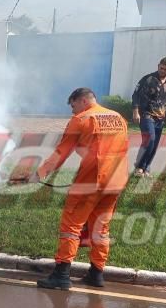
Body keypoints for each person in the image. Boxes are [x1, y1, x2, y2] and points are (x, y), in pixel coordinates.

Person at [33, 88, 129, 290]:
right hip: (116, 181)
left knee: (71, 226)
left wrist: (40, 173)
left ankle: (61, 274)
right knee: (101, 229)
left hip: (91, 181)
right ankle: (96, 273)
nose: (73, 111)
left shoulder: (82, 119)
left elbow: (62, 152)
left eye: (73, 106)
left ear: (83, 100)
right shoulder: (118, 118)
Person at [132, 57, 166, 177]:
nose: (162, 71)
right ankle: (139, 167)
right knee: (149, 139)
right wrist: (136, 111)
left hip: (160, 117)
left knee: (155, 143)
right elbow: (135, 95)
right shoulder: (148, 79)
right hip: (146, 114)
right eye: (161, 68)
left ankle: (146, 168)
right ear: (158, 66)